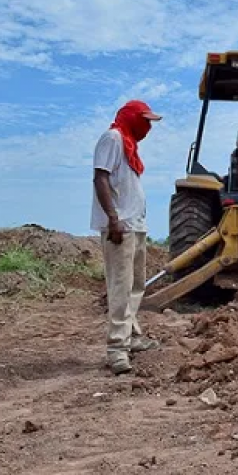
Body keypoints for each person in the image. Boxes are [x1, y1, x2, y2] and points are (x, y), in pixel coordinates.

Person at [91, 100, 163, 375]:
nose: (148, 127)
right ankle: (116, 349)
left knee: (136, 285)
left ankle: (131, 337)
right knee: (121, 287)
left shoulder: (130, 145)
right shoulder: (113, 138)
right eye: (145, 120)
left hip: (135, 224)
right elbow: (100, 178)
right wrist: (113, 218)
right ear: (132, 117)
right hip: (120, 226)